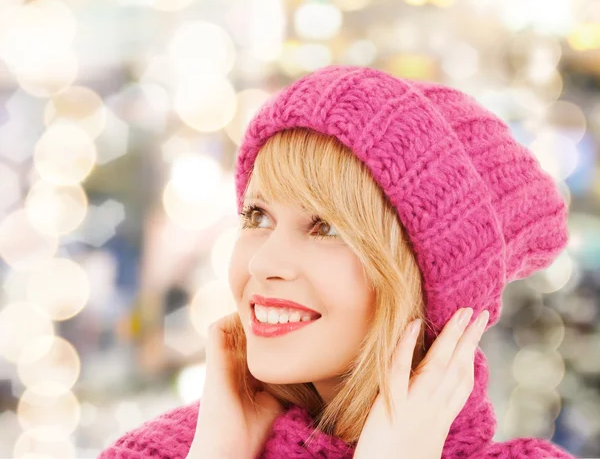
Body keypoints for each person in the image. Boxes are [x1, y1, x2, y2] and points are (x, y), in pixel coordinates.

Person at [99, 65, 576, 459]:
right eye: (257, 216)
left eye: (326, 227)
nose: (265, 262)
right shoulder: (164, 452)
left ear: (429, 282)